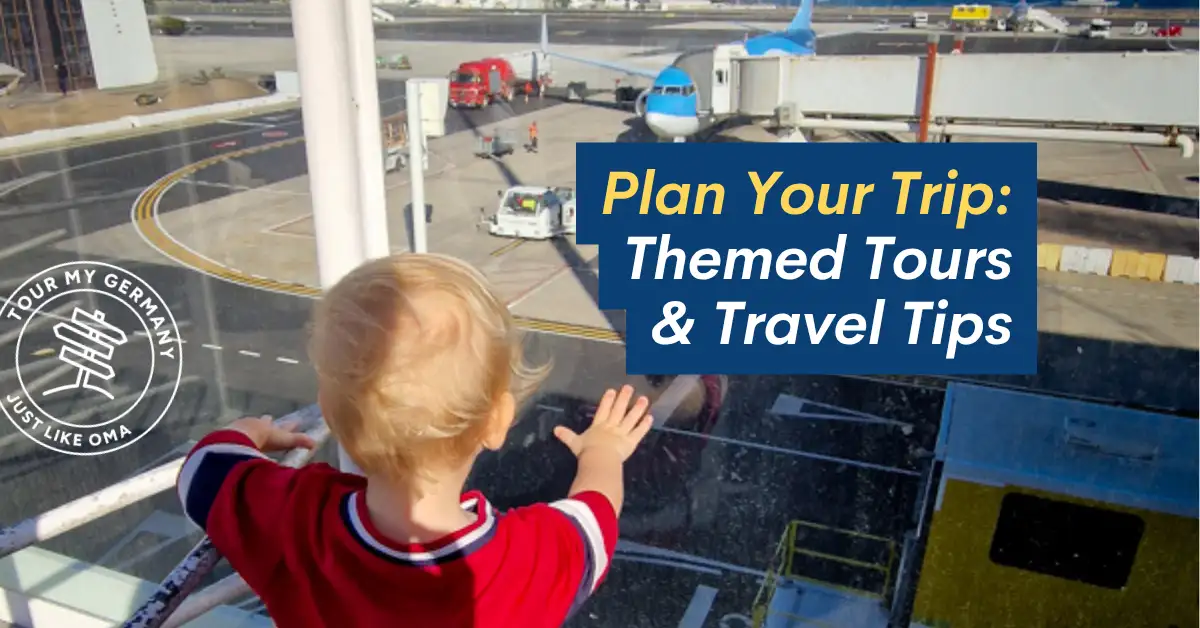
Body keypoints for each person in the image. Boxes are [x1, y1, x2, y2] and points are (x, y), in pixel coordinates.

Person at [176, 254, 654, 628]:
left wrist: (252, 431)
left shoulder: (299, 522)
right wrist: (603, 450)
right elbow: (594, 513)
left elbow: (205, 468)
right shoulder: (527, 560)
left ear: (334, 415)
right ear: (497, 421)